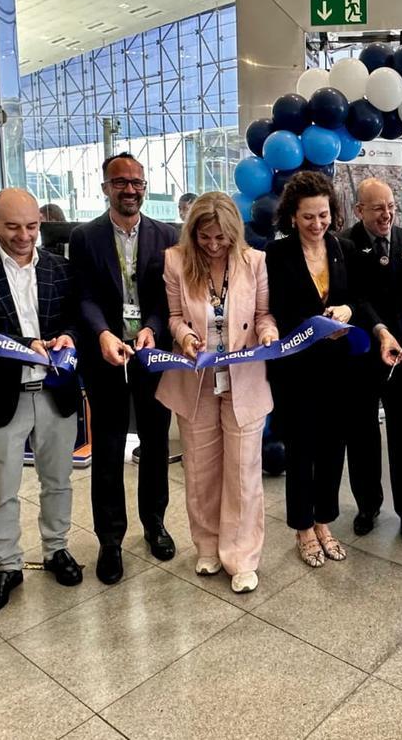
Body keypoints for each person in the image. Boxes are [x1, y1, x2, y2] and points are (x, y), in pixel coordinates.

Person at [0, 189, 84, 617]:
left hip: (54, 391)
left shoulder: (61, 268)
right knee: (1, 488)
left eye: (32, 226)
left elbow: (74, 316)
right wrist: (29, 345)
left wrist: (68, 337)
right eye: (12, 227)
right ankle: (6, 566)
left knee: (57, 479)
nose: (24, 236)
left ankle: (56, 548)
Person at [266, 172, 396, 567]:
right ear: (292, 216)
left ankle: (324, 521)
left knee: (332, 450)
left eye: (323, 215)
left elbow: (357, 296)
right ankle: (303, 528)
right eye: (308, 217)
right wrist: (314, 324)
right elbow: (274, 309)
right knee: (302, 450)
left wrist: (349, 311)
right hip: (297, 370)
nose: (317, 224)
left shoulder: (341, 250)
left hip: (340, 371)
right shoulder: (277, 255)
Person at [155, 193, 278, 593]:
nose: (213, 246)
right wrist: (186, 336)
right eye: (205, 238)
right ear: (193, 233)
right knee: (202, 470)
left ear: (234, 234)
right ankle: (207, 546)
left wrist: (268, 332)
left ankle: (241, 556)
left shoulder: (254, 261)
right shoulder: (176, 261)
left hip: (243, 377)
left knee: (243, 472)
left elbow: (263, 314)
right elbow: (174, 316)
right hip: (196, 379)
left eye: (221, 238)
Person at [68, 152, 180, 583]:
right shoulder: (84, 237)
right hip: (106, 355)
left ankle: (155, 524)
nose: (129, 189)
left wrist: (151, 327)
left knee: (155, 444)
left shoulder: (167, 234)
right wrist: (101, 333)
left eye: (136, 181)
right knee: (110, 449)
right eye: (120, 182)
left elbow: (167, 296)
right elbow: (84, 295)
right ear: (105, 188)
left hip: (152, 355)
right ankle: (110, 539)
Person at [341, 178, 402, 542]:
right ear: (359, 210)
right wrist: (379, 329)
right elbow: (353, 297)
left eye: (391, 205)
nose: (387, 213)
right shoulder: (344, 244)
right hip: (363, 353)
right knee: (361, 431)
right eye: (378, 207)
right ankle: (368, 505)